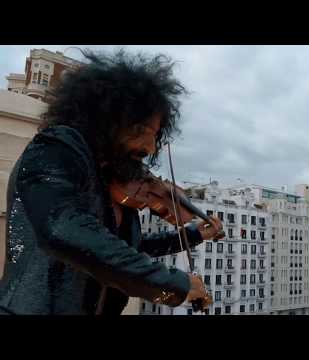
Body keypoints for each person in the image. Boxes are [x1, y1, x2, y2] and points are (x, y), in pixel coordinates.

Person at [0, 48, 223, 315]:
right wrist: (172, 284)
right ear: (106, 120)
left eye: (155, 136)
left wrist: (195, 234)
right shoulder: (54, 148)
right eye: (141, 131)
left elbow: (131, 250)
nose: (151, 148)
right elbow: (62, 229)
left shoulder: (117, 183)